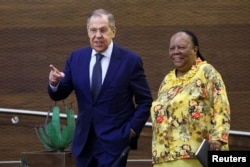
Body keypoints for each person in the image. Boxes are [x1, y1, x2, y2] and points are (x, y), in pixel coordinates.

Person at [48, 9, 152, 167]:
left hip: (115, 143)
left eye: (103, 30)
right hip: (84, 143)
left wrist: (131, 131)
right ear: (88, 32)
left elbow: (145, 101)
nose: (98, 35)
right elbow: (60, 93)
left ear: (113, 32)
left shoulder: (130, 61)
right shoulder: (76, 58)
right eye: (93, 30)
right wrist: (54, 83)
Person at [150, 30, 230, 167]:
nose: (176, 52)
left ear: (195, 49)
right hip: (162, 158)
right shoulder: (167, 80)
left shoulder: (206, 72)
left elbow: (221, 106)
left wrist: (218, 138)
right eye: (172, 48)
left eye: (181, 47)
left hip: (194, 156)